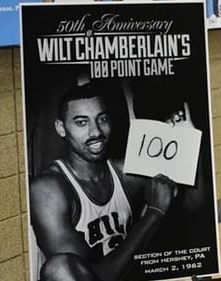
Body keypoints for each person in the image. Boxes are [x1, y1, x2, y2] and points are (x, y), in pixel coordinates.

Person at [29, 80, 192, 281]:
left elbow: (195, 204)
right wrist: (154, 213)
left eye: (102, 119)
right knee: (59, 268)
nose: (96, 132)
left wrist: (189, 141)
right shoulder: (48, 191)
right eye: (82, 122)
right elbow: (92, 277)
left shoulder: (126, 172)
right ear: (61, 128)